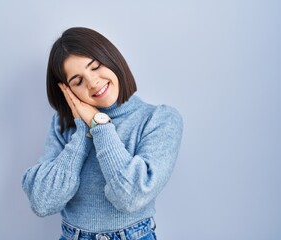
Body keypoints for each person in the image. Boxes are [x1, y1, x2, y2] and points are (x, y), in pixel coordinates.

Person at [21, 27, 183, 240]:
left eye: (96, 66)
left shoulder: (160, 119)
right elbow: (42, 202)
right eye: (77, 81)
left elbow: (131, 197)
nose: (93, 82)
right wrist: (82, 132)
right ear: (67, 91)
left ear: (112, 58)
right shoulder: (63, 125)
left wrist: (100, 126)